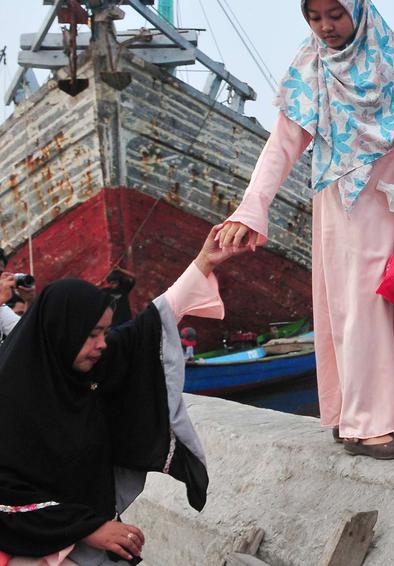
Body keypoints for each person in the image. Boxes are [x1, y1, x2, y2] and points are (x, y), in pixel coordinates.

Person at [216, 0, 394, 460]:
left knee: (386, 302)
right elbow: (281, 146)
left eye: (335, 14)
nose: (326, 26)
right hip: (343, 203)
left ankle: (365, 416)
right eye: (314, 17)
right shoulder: (311, 68)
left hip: (393, 197)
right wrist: (252, 208)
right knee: (355, 306)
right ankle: (367, 423)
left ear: (358, 9)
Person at [0, 227, 246, 565]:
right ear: (62, 332)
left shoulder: (77, 364)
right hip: (23, 544)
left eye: (104, 331)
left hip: (82, 532)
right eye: (92, 334)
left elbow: (148, 328)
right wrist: (89, 529)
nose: (102, 343)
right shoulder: (9, 398)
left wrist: (204, 262)